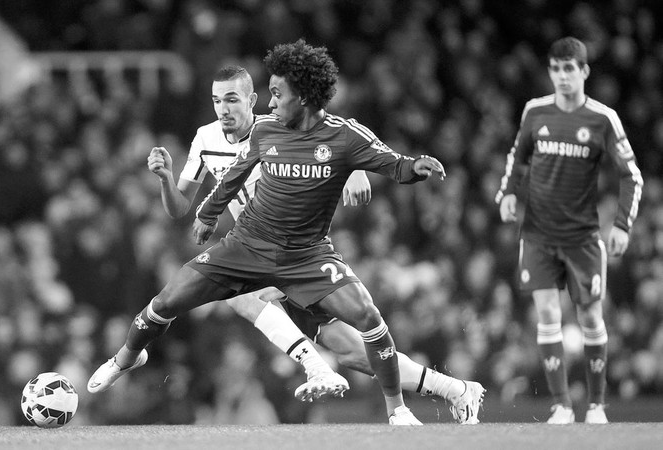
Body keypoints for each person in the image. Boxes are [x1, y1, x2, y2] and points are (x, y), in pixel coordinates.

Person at [89, 39, 468, 425]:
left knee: (355, 348)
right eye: (218, 100)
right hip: (248, 247)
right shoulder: (216, 138)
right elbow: (214, 188)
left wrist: (371, 169)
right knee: (183, 299)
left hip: (303, 255)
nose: (225, 109)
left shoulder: (308, 130)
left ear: (254, 99)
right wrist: (201, 206)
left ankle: (445, 390)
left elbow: (368, 153)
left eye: (235, 99)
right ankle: (129, 358)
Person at [495, 37, 643, 424]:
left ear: (584, 72)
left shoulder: (602, 118)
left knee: (590, 317)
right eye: (556, 69)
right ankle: (561, 406)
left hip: (582, 238)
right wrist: (508, 193)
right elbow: (518, 157)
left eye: (569, 69)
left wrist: (623, 224)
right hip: (539, 235)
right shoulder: (535, 111)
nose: (562, 77)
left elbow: (631, 176)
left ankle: (596, 406)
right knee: (547, 313)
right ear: (550, 72)